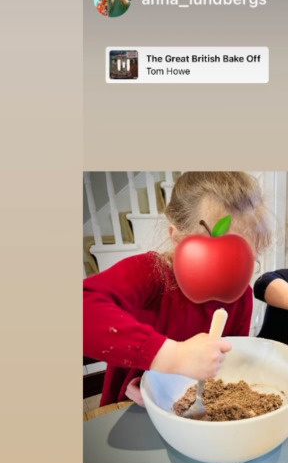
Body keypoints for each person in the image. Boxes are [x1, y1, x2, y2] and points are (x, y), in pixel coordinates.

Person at [83, 172, 272, 405]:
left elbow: (223, 366)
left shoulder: (242, 298)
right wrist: (173, 357)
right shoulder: (150, 274)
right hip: (131, 409)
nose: (226, 269)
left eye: (241, 259)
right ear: (177, 237)